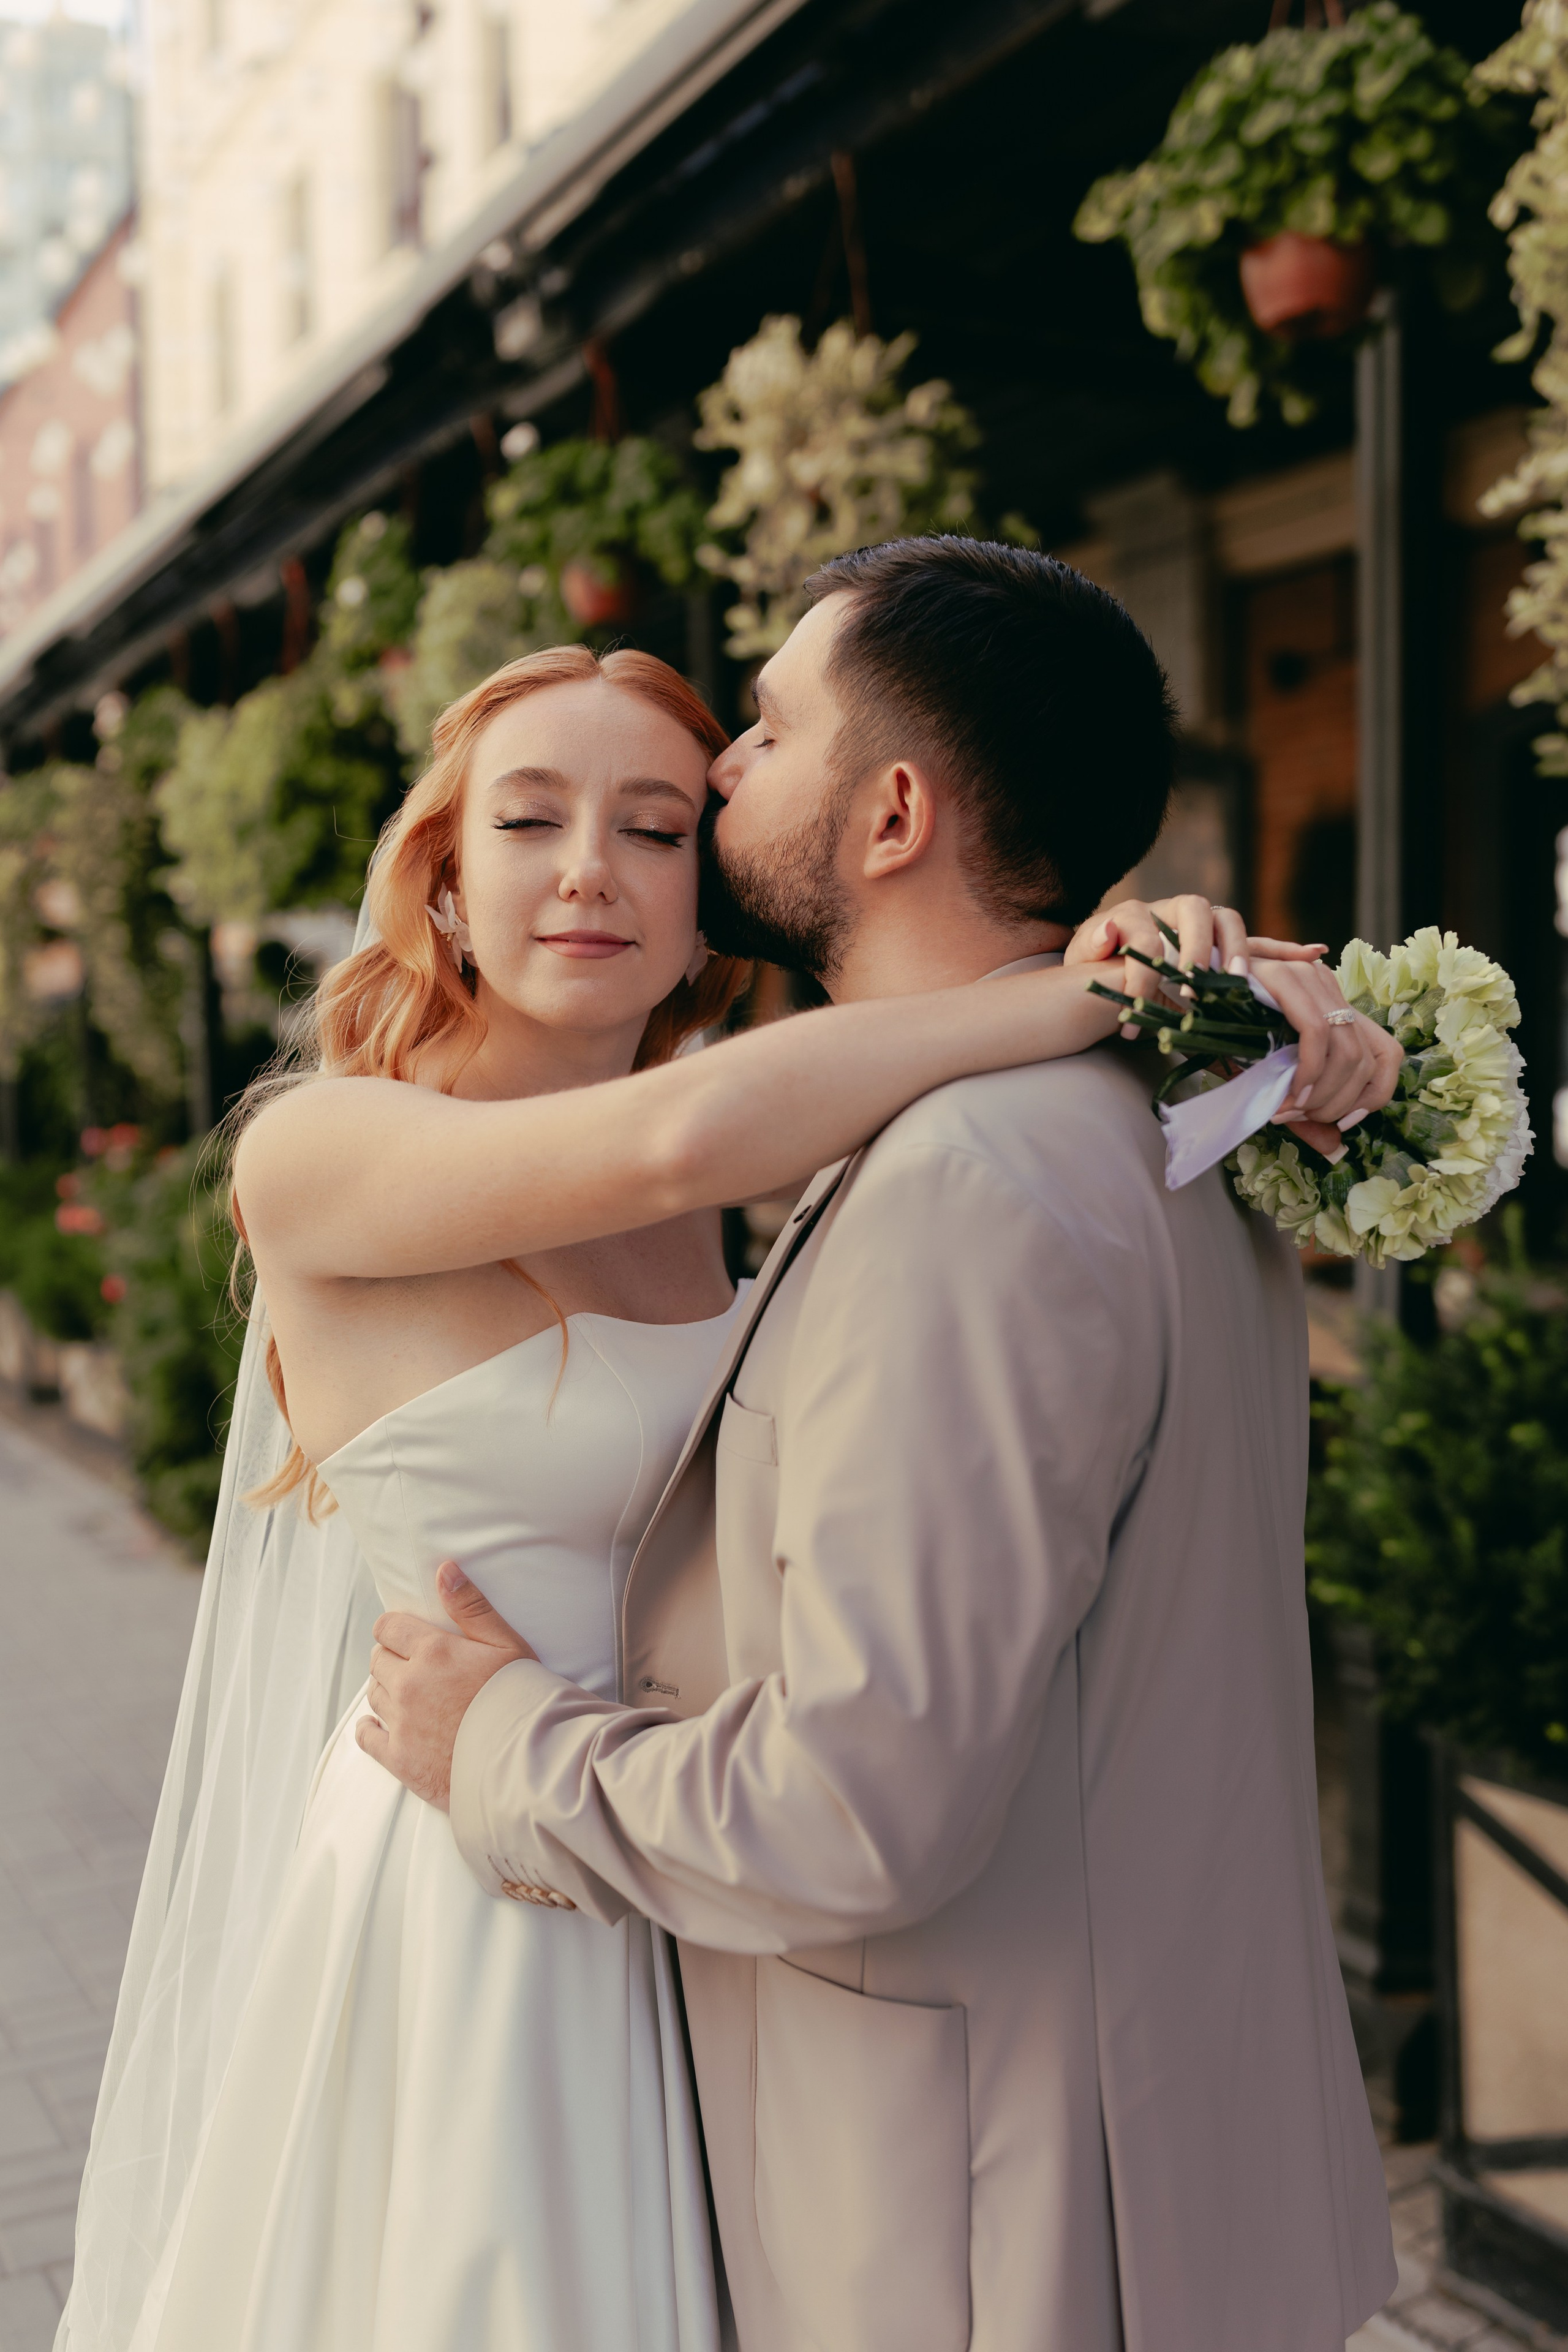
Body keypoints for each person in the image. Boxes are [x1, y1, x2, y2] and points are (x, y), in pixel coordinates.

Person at [57, 615, 1366, 2352]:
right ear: (438, 882)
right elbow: (677, 1137)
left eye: (665, 824)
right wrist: (1094, 987)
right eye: (525, 822)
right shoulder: (323, 1149)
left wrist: (1175, 965)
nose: (592, 872)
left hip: (704, 1891)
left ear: (701, 906)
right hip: (485, 1879)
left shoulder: (779, 1156)